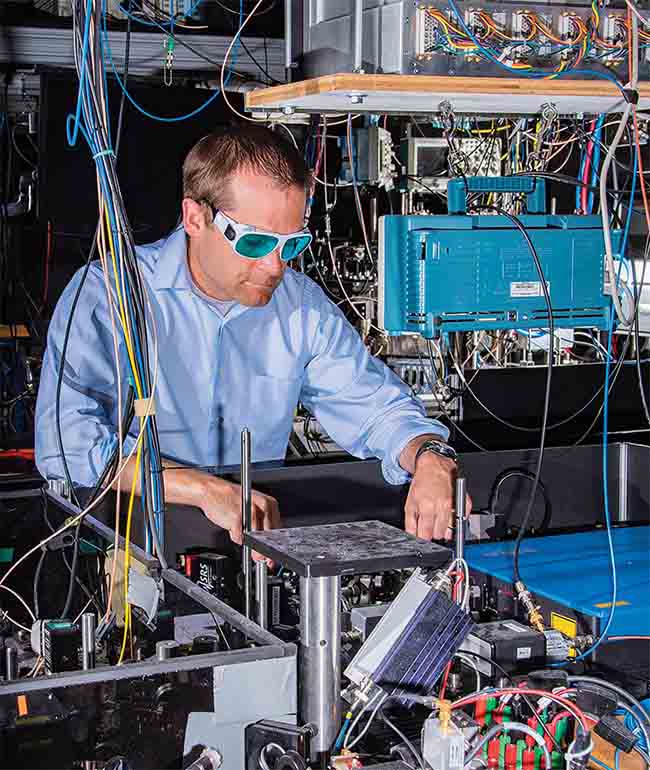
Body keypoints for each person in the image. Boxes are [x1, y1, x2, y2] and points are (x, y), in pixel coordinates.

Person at [35, 124, 469, 547]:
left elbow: (376, 410)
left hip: (252, 540)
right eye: (256, 244)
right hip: (129, 543)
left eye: (292, 245)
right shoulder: (112, 294)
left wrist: (429, 454)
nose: (275, 267)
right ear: (195, 217)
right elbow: (64, 444)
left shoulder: (301, 307)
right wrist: (200, 489)